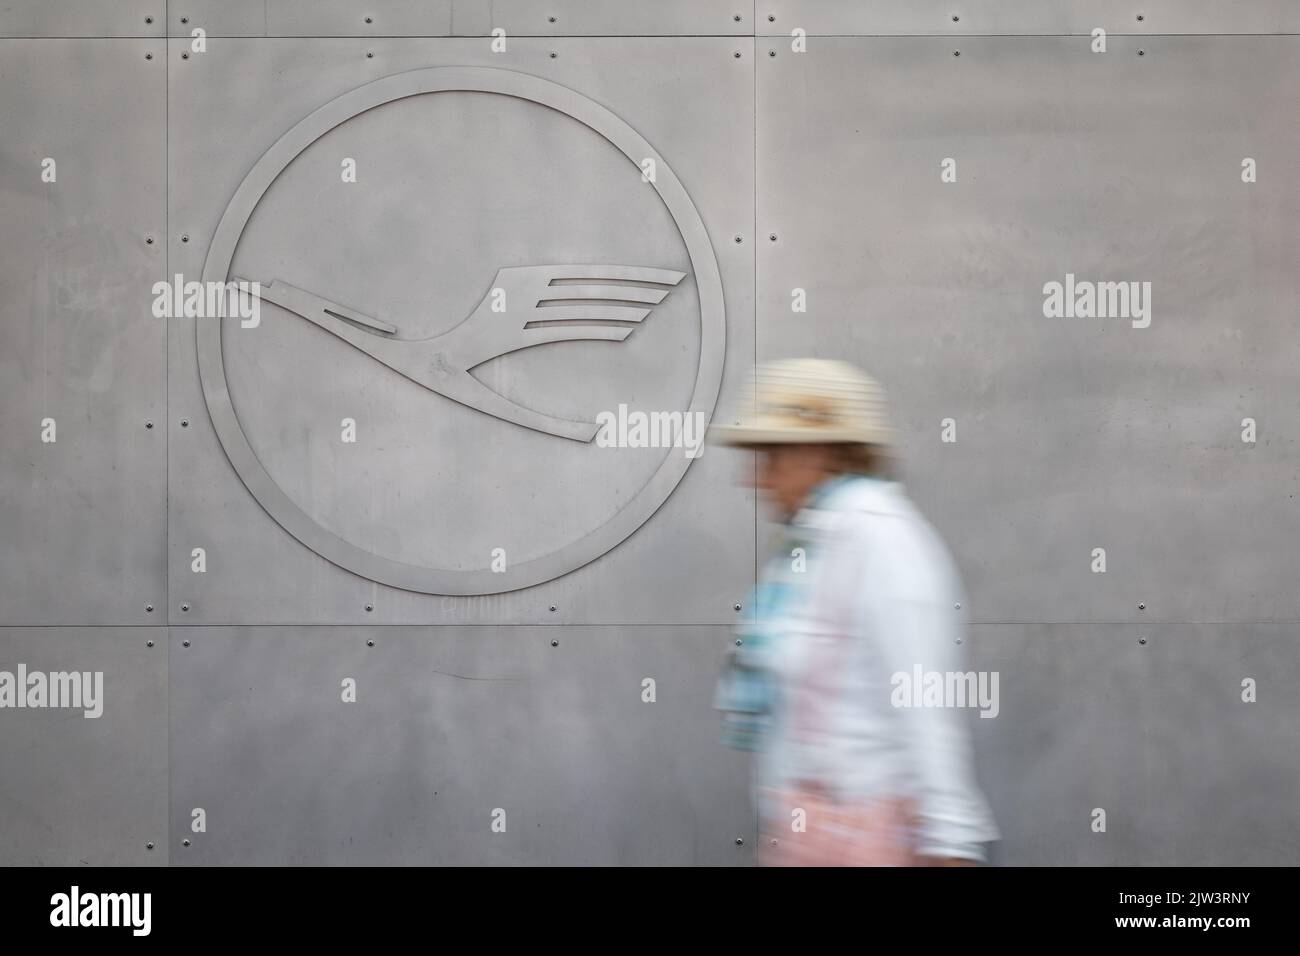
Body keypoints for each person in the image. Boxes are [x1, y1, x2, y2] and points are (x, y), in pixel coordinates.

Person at [712, 359, 999, 866]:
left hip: (866, 839)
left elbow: (922, 698)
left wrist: (951, 840)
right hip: (814, 835)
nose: (755, 479)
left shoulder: (881, 538)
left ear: (821, 453)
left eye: (772, 456)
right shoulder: (814, 545)